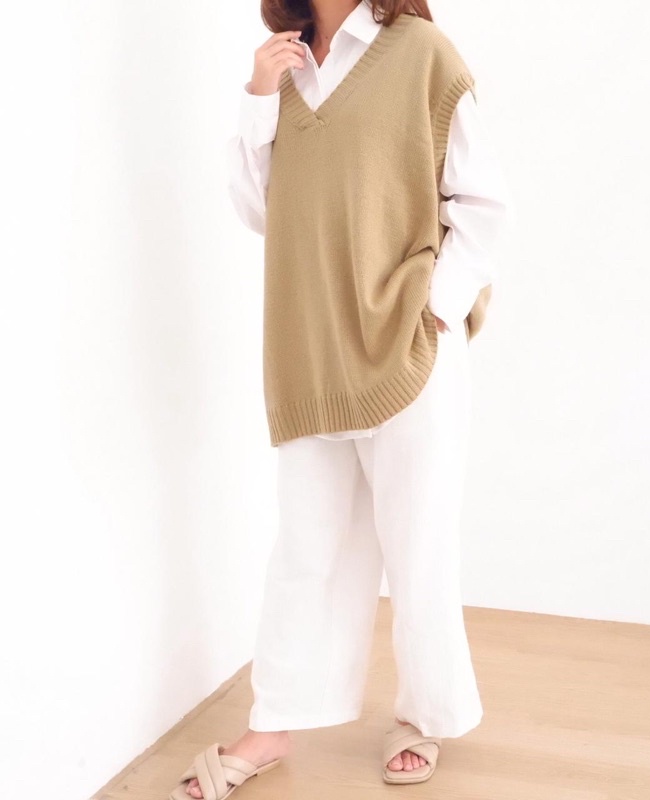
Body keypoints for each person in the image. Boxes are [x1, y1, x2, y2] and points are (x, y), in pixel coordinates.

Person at [171, 1, 514, 797]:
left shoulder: (420, 51)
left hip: (407, 346)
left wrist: (435, 307)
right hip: (310, 344)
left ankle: (424, 715)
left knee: (417, 543)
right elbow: (262, 212)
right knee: (307, 545)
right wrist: (259, 98)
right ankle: (276, 720)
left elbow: (485, 203)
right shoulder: (285, 64)